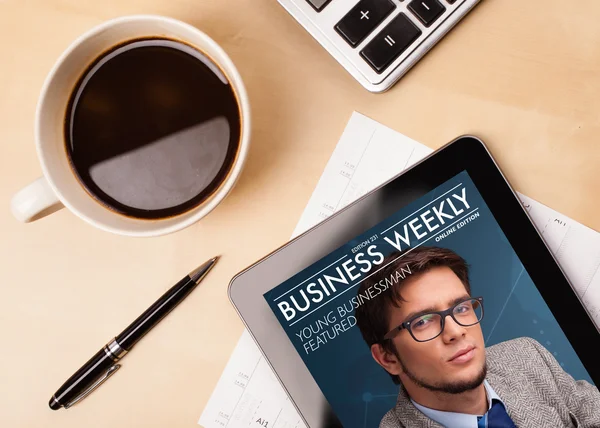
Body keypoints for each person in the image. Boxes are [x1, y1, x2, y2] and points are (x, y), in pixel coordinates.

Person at [354, 246, 600, 428]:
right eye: (423, 322)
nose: (455, 331)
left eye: (461, 308)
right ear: (387, 357)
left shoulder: (526, 355)